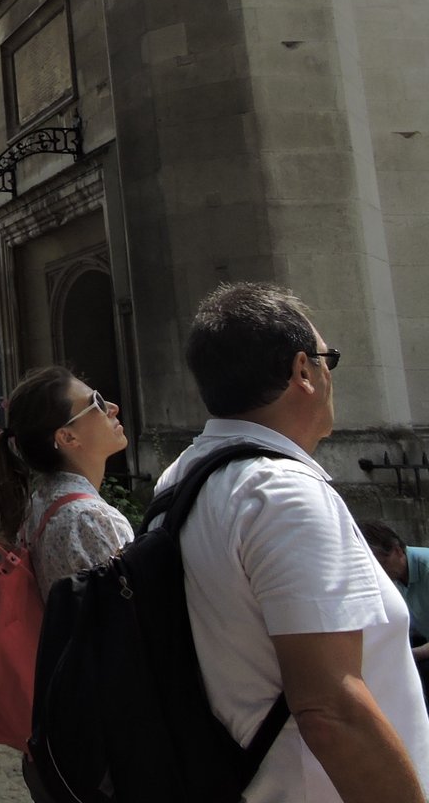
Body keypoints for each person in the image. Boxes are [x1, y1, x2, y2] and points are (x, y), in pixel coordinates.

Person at [159, 281, 429, 802]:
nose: (331, 375)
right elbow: (330, 710)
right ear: (303, 371)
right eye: (329, 359)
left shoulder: (182, 476)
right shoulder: (281, 493)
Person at [0, 367, 133, 602]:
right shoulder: (89, 519)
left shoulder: (40, 502)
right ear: (67, 437)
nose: (112, 407)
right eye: (96, 402)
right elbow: (136, 609)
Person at [360, 520, 429, 707]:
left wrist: (411, 654)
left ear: (397, 551)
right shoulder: (397, 576)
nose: (378, 573)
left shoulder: (426, 568)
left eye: (381, 564)